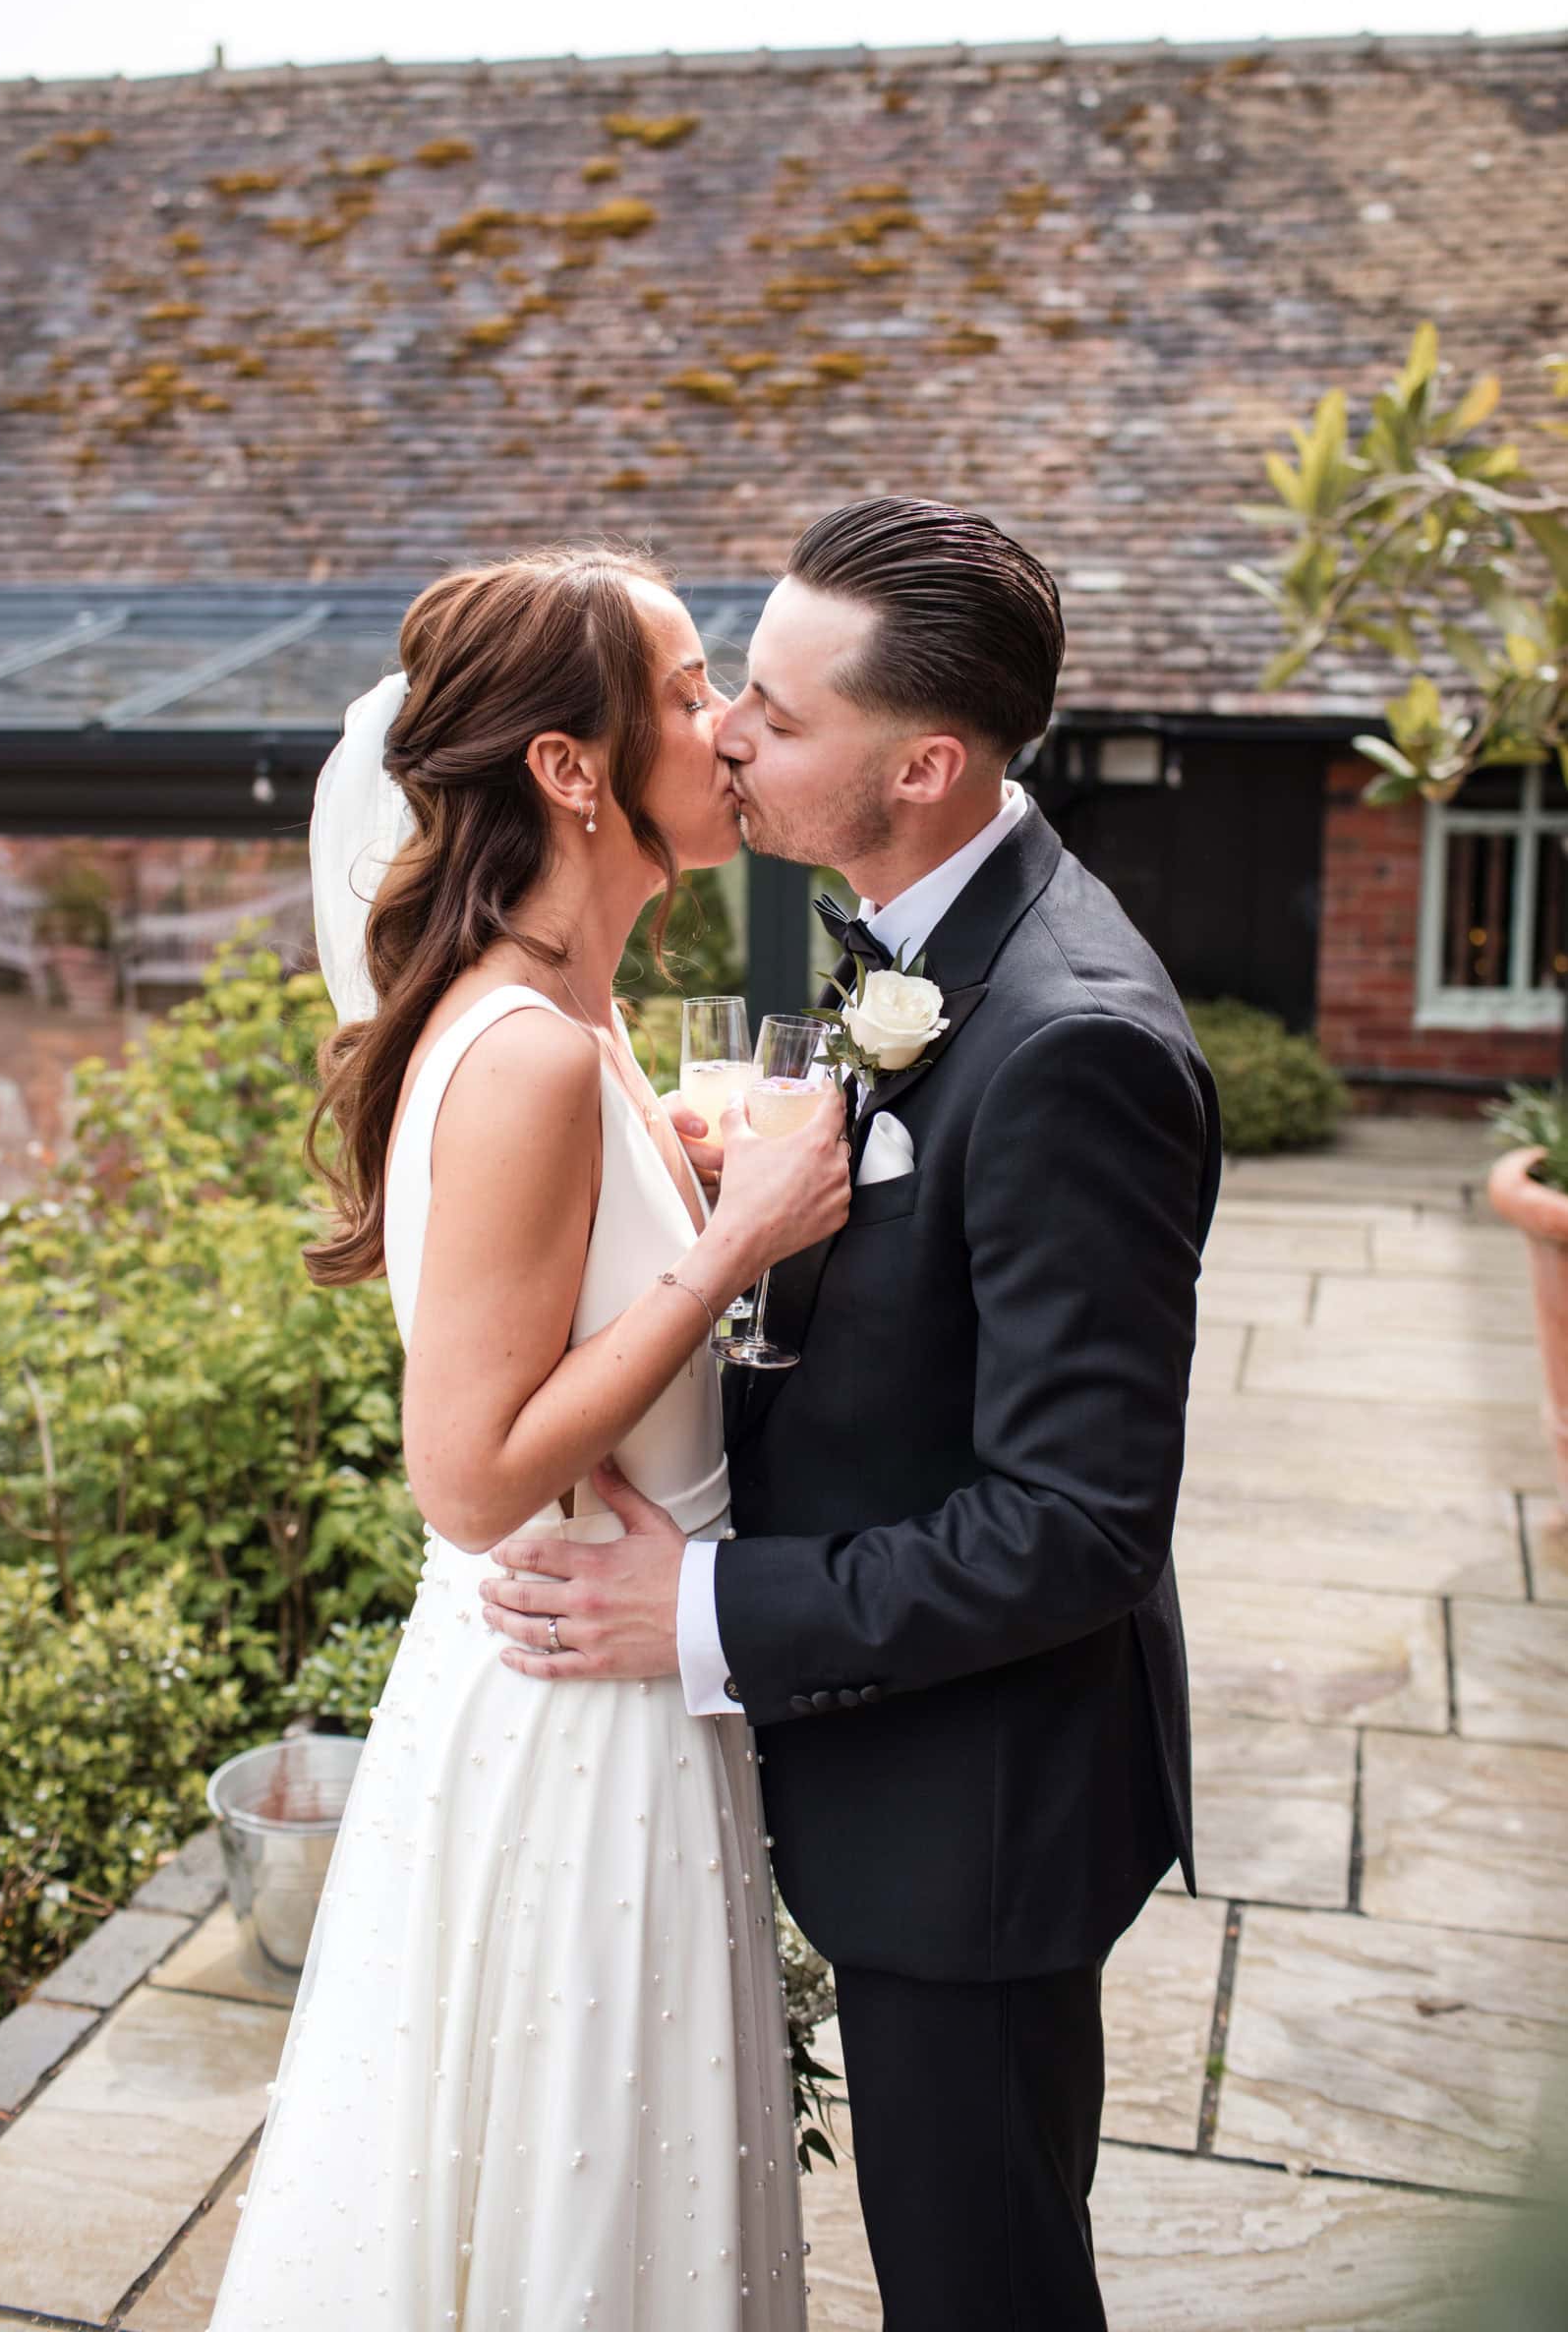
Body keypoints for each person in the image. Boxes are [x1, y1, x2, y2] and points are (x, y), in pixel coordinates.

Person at [479, 497, 1222, 2331]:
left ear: (927, 764)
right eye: (732, 685)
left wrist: (705, 1616)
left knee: (981, 2284)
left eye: (780, 717)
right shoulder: (921, 922)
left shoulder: (1077, 1045)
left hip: (980, 1820)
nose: (726, 731)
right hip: (911, 1773)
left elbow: (1078, 1523)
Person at [205, 546, 848, 2331]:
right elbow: (472, 1475)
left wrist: (691, 1165)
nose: (722, 726)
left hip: (631, 1675)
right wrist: (736, 1240)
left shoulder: (581, 1014)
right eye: (682, 687)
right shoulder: (528, 1054)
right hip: (570, 1705)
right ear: (569, 770)